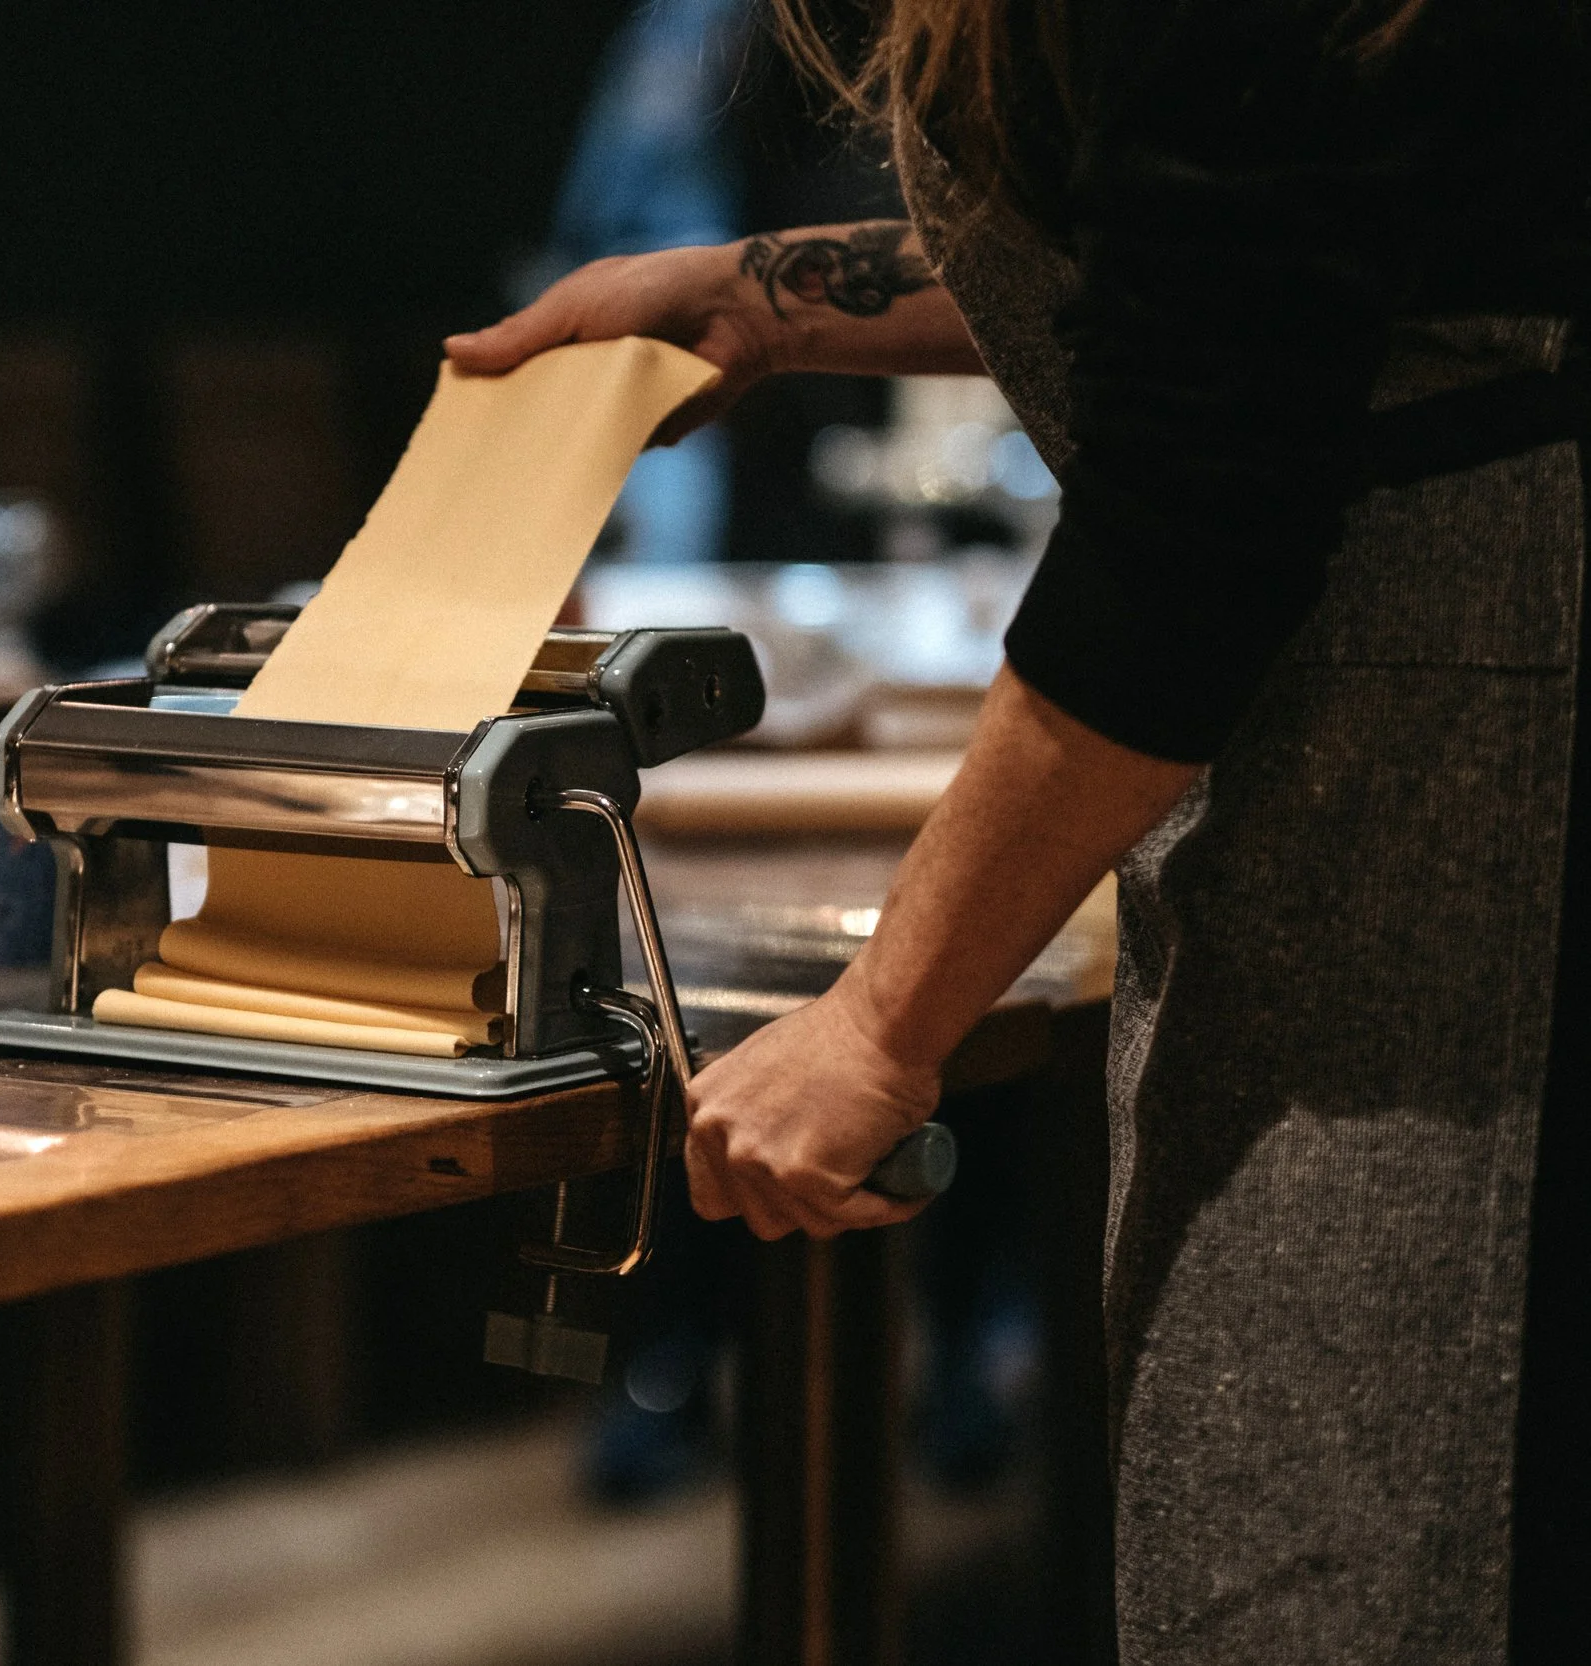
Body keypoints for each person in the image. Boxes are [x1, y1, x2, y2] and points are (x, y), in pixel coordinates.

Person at [447, 0, 1587, 1659]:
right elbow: (1242, 252)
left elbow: (1203, 505)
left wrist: (880, 1023)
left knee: (1379, 1555)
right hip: (1397, 749)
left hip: (1462, 771)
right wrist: (752, 300)